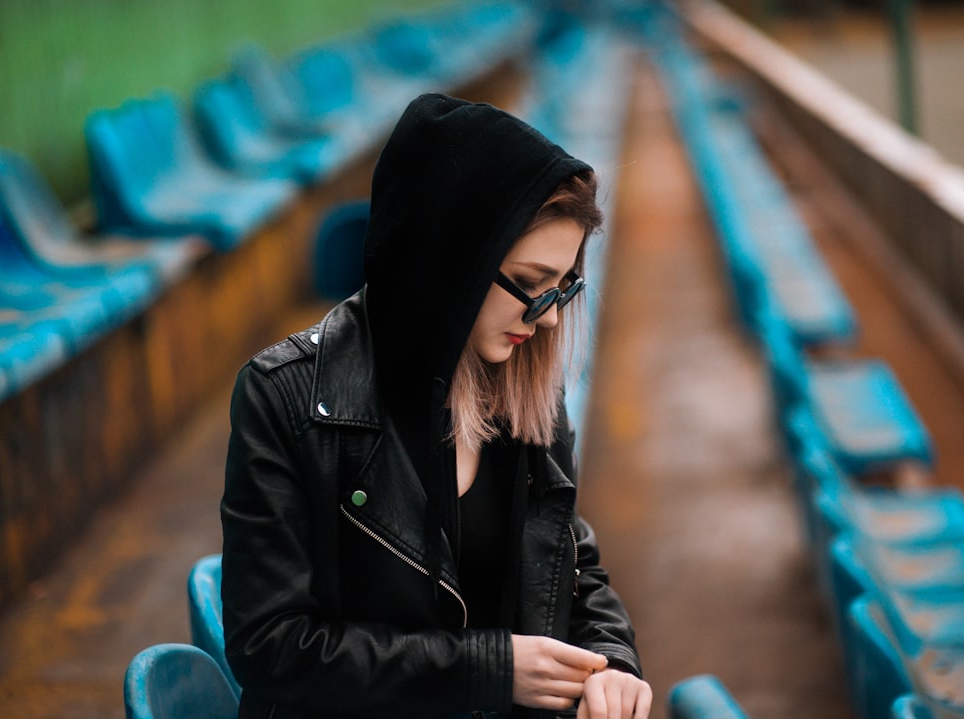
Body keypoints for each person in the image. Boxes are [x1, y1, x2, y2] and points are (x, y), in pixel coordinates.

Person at [222, 93, 651, 719]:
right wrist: (491, 670)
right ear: (450, 260)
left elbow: (571, 559)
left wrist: (610, 662)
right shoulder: (286, 397)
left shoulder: (526, 387)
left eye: (563, 288)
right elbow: (273, 648)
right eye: (531, 286)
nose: (552, 317)